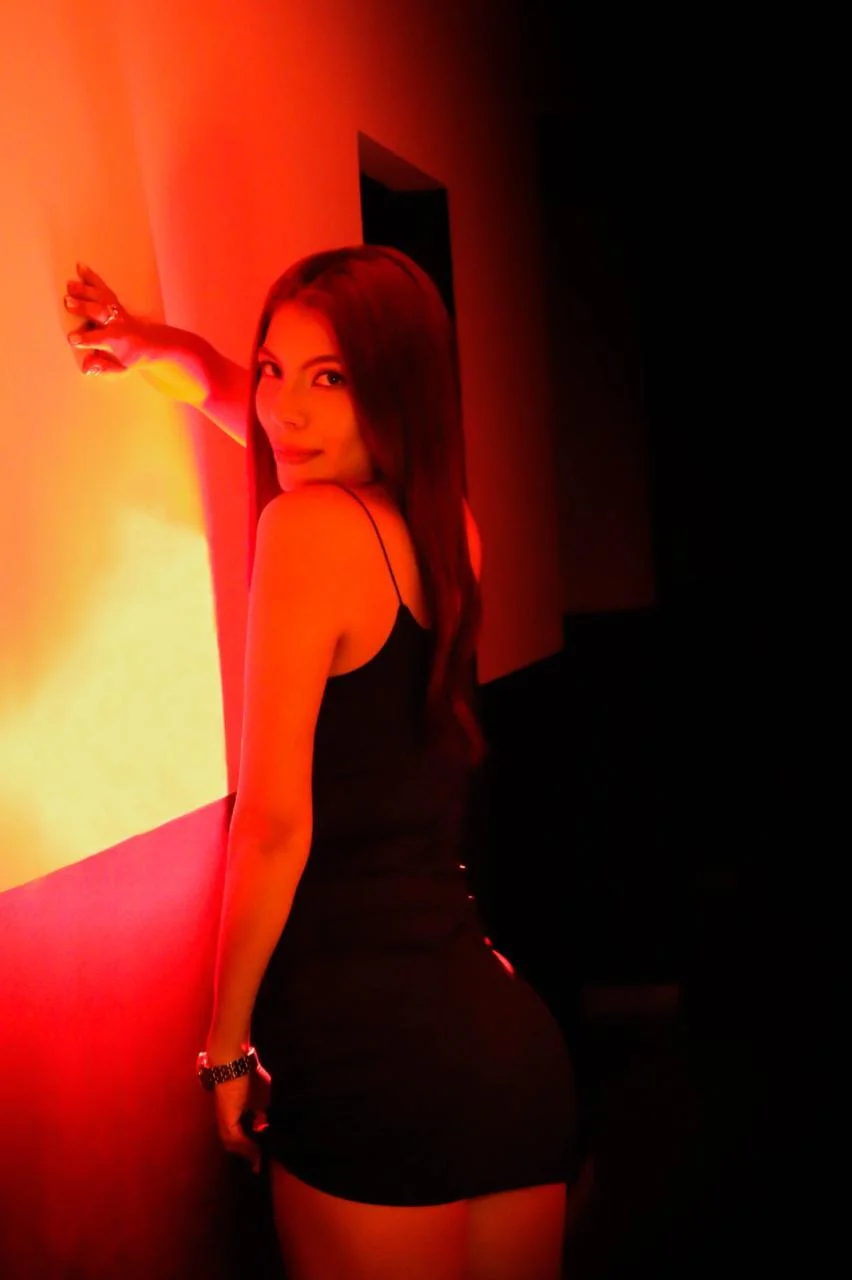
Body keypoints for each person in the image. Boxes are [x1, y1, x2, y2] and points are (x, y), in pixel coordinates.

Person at [64, 249, 578, 1280]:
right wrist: (156, 346)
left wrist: (224, 1048)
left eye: (328, 377)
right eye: (274, 369)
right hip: (503, 1045)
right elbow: (259, 409)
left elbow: (274, 824)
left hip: (367, 1053)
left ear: (391, 388)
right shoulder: (449, 527)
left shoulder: (303, 529)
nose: (283, 409)